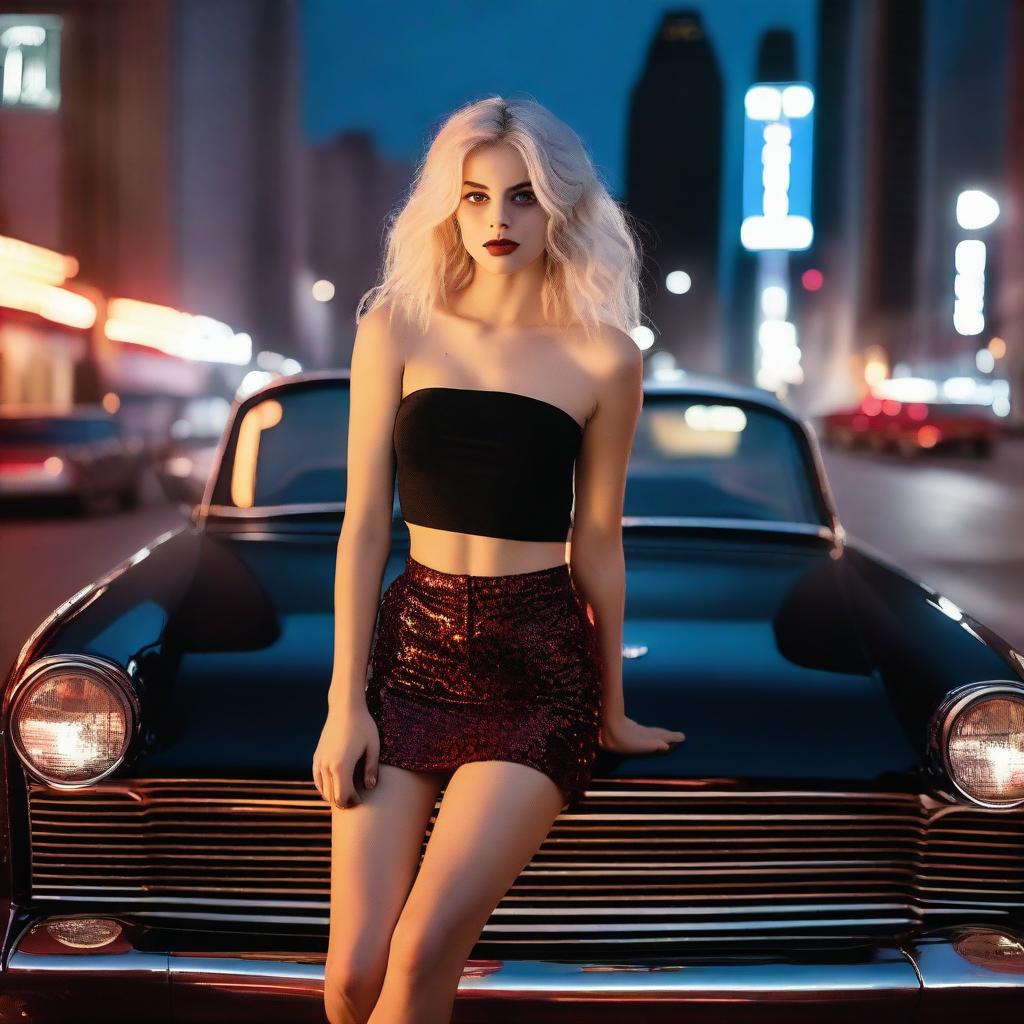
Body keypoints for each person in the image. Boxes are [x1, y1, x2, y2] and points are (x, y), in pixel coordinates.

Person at [312, 95, 686, 1024]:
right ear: (448, 205)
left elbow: (597, 538)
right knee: (352, 978)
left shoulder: (604, 357)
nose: (497, 222)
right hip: (410, 656)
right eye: (476, 199)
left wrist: (613, 706)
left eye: (521, 199)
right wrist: (343, 703)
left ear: (558, 205)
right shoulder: (395, 326)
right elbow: (365, 524)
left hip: (536, 668)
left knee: (424, 949)